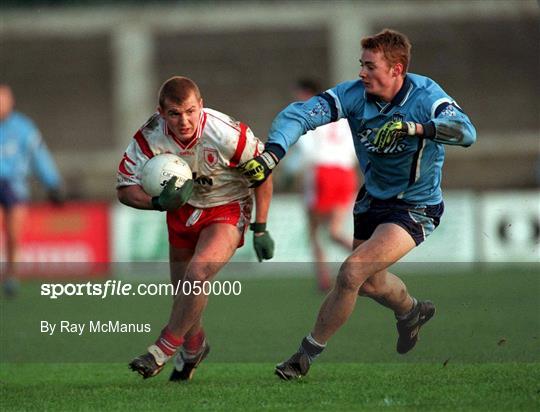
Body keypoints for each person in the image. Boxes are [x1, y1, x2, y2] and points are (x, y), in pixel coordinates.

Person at [239, 29, 476, 379]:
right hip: (372, 200)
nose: (361, 73)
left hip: (415, 207)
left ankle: (302, 358)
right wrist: (274, 153)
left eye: (370, 66)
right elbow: (299, 115)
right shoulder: (353, 94)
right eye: (360, 65)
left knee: (351, 272)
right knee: (369, 283)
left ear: (397, 70)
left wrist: (416, 128)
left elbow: (466, 131)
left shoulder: (426, 96)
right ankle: (411, 311)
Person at [117, 76, 274, 381]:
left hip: (228, 205)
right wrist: (159, 203)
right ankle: (194, 345)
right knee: (184, 294)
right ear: (161, 113)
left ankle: (161, 350)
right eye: (175, 114)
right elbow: (124, 190)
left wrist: (261, 227)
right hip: (181, 210)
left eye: (190, 111)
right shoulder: (148, 138)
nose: (184, 120)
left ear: (200, 105)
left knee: (198, 273)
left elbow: (263, 175)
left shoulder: (227, 133)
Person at [283, 79, 359, 291]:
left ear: (307, 94)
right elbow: (354, 150)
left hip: (322, 174)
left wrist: (288, 174)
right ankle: (371, 261)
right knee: (334, 230)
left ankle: (323, 280)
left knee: (315, 231)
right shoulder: (341, 116)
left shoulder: (307, 114)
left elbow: (306, 152)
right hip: (345, 174)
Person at [0, 84, 64, 297]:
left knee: (13, 233)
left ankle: (12, 276)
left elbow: (39, 157)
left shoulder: (23, 128)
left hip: (14, 185)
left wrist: (52, 183)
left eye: (4, 99)